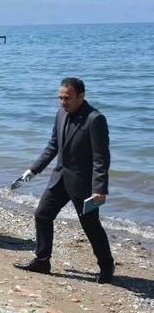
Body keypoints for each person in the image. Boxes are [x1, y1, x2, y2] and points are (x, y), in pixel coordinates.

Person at [13, 78, 115, 283]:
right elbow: (53, 146)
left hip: (83, 185)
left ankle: (106, 266)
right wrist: (33, 170)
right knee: (42, 215)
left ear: (81, 96)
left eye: (67, 98)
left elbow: (101, 158)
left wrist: (99, 188)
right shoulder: (60, 114)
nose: (62, 102)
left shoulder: (95, 119)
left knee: (90, 225)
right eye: (60, 97)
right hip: (59, 178)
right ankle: (42, 261)